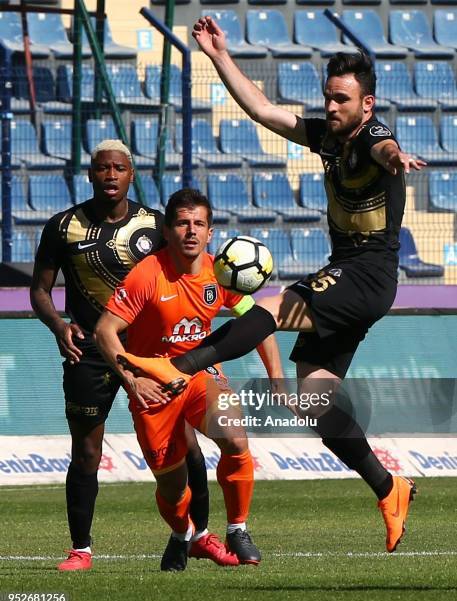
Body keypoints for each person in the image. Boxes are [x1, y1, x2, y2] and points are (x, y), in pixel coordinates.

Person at [117, 20, 428, 554]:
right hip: (349, 273)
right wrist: (218, 53)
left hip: (367, 273)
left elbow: (386, 149)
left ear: (367, 104)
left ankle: (181, 366)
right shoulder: (327, 136)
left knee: (268, 308)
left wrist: (397, 159)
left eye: (341, 99)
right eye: (328, 97)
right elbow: (262, 110)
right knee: (312, 399)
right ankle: (389, 487)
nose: (331, 107)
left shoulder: (375, 137)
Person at [30, 140, 234, 571]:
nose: (110, 175)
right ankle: (80, 549)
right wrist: (59, 325)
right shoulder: (62, 226)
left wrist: (201, 349)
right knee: (86, 451)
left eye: (118, 168)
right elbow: (39, 291)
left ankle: (197, 536)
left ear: (131, 174)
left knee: (188, 448)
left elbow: (189, 281)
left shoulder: (158, 224)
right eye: (102, 168)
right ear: (90, 174)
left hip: (155, 355)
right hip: (88, 350)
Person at [93, 188, 284, 570]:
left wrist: (277, 375)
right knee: (172, 485)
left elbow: (257, 323)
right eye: (182, 223)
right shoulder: (147, 274)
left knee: (234, 435)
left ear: (210, 233)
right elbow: (104, 332)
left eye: (199, 224)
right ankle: (183, 535)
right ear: (167, 230)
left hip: (200, 376)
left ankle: (238, 528)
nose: (191, 231)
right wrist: (133, 380)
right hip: (153, 386)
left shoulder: (223, 273)